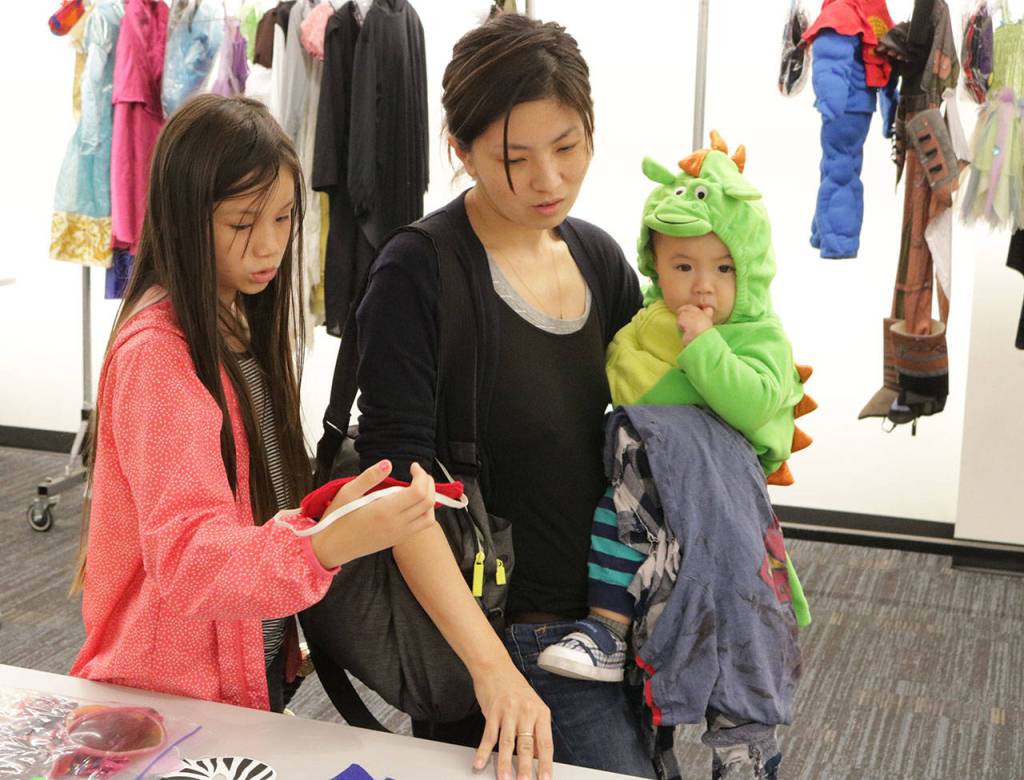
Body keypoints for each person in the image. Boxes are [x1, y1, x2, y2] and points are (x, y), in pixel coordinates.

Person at [348, 13, 658, 780]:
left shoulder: (598, 258)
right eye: (515, 159)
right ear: (462, 151)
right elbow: (397, 491)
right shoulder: (419, 272)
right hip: (504, 638)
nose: (549, 179)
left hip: (614, 628)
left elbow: (652, 423)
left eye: (568, 147)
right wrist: (491, 670)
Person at [69, 94, 438, 713]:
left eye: (284, 218)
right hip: (171, 697)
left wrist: (324, 517)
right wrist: (324, 545)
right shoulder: (158, 356)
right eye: (243, 224)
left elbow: (244, 502)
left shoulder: (235, 315)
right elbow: (188, 559)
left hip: (233, 676)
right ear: (185, 220)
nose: (269, 246)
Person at [537, 135, 810, 779]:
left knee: (730, 604)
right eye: (683, 266)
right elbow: (621, 371)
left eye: (724, 268)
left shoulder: (757, 334)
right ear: (656, 266)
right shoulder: (649, 317)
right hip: (648, 485)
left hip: (717, 497)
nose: (703, 285)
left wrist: (705, 346)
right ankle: (606, 629)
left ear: (751, 270)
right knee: (616, 528)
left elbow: (753, 404)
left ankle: (743, 735)